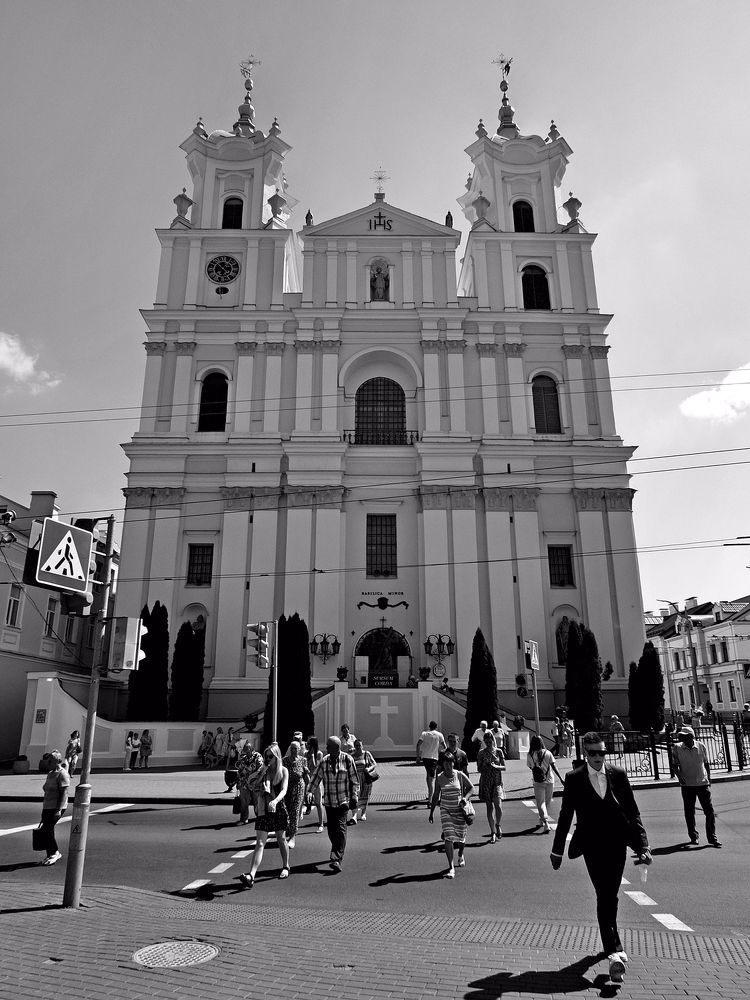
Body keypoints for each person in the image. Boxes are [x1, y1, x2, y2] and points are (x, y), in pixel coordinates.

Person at [550, 731, 652, 984]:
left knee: (611, 895)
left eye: (602, 752)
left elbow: (632, 811)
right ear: (586, 753)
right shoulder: (574, 778)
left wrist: (643, 845)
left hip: (617, 844)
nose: (598, 757)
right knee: (603, 893)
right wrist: (557, 850)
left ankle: (611, 945)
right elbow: (565, 815)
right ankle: (614, 952)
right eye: (593, 753)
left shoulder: (618, 774)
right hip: (592, 846)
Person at [238, 744, 291, 887]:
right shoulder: (264, 771)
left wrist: (275, 801)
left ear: (276, 757)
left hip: (278, 808)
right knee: (260, 843)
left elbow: (284, 790)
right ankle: (251, 875)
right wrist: (261, 771)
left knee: (281, 839)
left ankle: (286, 866)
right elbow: (250, 783)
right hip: (263, 809)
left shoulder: (283, 771)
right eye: (266, 756)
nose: (267, 759)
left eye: (270, 756)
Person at [307, 735, 359, 872]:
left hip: (343, 800)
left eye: (329, 746)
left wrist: (354, 796)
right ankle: (337, 849)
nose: (327, 748)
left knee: (341, 829)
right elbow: (316, 777)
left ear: (336, 748)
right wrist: (310, 792)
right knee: (331, 830)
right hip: (329, 802)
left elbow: (354, 780)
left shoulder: (347, 759)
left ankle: (336, 858)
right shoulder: (324, 761)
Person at [672, 725, 721, 847]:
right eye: (681, 736)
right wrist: (679, 776)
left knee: (709, 811)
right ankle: (693, 836)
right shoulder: (677, 748)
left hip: (702, 783)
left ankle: (712, 837)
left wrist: (709, 778)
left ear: (691, 736)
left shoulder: (701, 746)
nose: (683, 738)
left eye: (685, 736)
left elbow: (706, 763)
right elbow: (674, 765)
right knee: (689, 812)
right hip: (687, 784)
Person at [428, 752, 474, 878]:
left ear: (453, 763)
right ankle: (451, 867)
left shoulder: (459, 775)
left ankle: (460, 854)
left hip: (459, 811)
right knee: (448, 837)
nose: (448, 766)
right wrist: (431, 812)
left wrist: (465, 798)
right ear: (442, 764)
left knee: (461, 838)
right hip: (446, 810)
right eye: (446, 763)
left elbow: (471, 788)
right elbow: (436, 795)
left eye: (450, 763)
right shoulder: (439, 777)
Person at [37, 750, 70, 866]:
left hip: (56, 806)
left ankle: (55, 852)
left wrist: (58, 810)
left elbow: (64, 793)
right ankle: (50, 854)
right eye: (48, 760)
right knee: (48, 830)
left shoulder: (62, 774)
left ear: (58, 761)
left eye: (50, 761)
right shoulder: (50, 773)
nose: (48, 763)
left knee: (46, 829)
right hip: (47, 806)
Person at [527, 734, 564, 833]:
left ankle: (545, 821)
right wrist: (560, 778)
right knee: (547, 802)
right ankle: (543, 819)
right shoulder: (548, 753)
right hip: (550, 780)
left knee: (540, 803)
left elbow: (530, 767)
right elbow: (554, 766)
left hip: (537, 781)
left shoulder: (530, 754)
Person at [477, 730, 505, 842]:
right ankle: (492, 831)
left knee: (498, 806)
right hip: (486, 781)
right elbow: (479, 769)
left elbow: (504, 767)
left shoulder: (499, 752)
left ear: (493, 741)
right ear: (484, 742)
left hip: (497, 781)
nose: (488, 744)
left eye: (490, 741)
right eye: (486, 742)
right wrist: (485, 764)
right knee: (489, 807)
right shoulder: (481, 753)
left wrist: (496, 766)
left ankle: (498, 824)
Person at [282, 740, 310, 849]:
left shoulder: (303, 760)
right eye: (292, 748)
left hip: (298, 787)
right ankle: (288, 830)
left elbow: (307, 779)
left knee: (295, 811)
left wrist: (306, 772)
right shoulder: (284, 761)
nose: (294, 750)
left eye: (296, 749)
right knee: (287, 810)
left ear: (299, 750)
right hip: (287, 787)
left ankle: (293, 836)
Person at [416, 720, 447, 802]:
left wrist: (418, 756)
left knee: (429, 776)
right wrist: (443, 755)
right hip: (434, 758)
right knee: (431, 778)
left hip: (425, 758)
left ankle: (429, 794)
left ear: (429, 726)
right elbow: (445, 747)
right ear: (436, 727)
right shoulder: (439, 735)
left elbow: (418, 744)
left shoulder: (424, 734)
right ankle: (430, 799)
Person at [236, 740, 264, 825]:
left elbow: (260, 769)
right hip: (244, 783)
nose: (246, 750)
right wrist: (238, 783)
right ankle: (243, 818)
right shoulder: (243, 758)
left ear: (252, 749)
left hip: (255, 783)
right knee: (244, 802)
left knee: (257, 801)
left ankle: (259, 817)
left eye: (248, 748)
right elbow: (239, 770)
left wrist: (253, 777)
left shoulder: (258, 756)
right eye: (245, 749)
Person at [351, 738, 377, 822]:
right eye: (356, 745)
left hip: (365, 778)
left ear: (362, 746)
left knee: (365, 796)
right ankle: (354, 815)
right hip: (356, 779)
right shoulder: (352, 756)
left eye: (360, 745)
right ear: (354, 746)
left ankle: (363, 813)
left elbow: (374, 764)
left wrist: (368, 769)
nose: (358, 747)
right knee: (355, 796)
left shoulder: (366, 754)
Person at [304, 736, 324, 832]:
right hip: (307, 780)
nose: (307, 746)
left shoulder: (319, 754)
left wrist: (312, 756)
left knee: (318, 803)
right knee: (301, 802)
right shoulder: (305, 754)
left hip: (316, 781)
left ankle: (321, 823)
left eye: (309, 744)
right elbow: (304, 766)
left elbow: (317, 767)